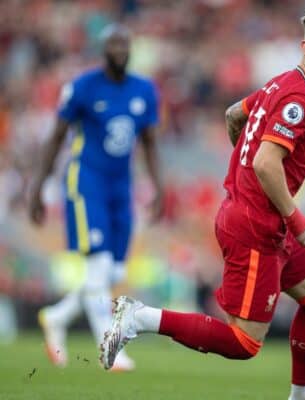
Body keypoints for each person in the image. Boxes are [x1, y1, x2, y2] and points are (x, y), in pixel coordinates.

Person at [100, 4, 305, 399]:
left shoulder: (282, 84)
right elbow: (266, 161)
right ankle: (139, 317)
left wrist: (245, 175)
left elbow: (234, 114)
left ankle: (304, 395)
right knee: (244, 342)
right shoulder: (298, 99)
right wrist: (294, 215)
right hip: (258, 226)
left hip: (259, 215)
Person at [29, 24, 163, 371]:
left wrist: (159, 186)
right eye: (113, 44)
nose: (119, 50)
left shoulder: (144, 89)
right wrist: (38, 187)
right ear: (102, 50)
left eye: (124, 44)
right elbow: (56, 137)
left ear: (131, 49)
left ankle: (56, 317)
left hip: (121, 186)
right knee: (99, 265)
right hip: (87, 181)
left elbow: (149, 141)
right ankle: (109, 345)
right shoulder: (83, 87)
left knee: (113, 269)